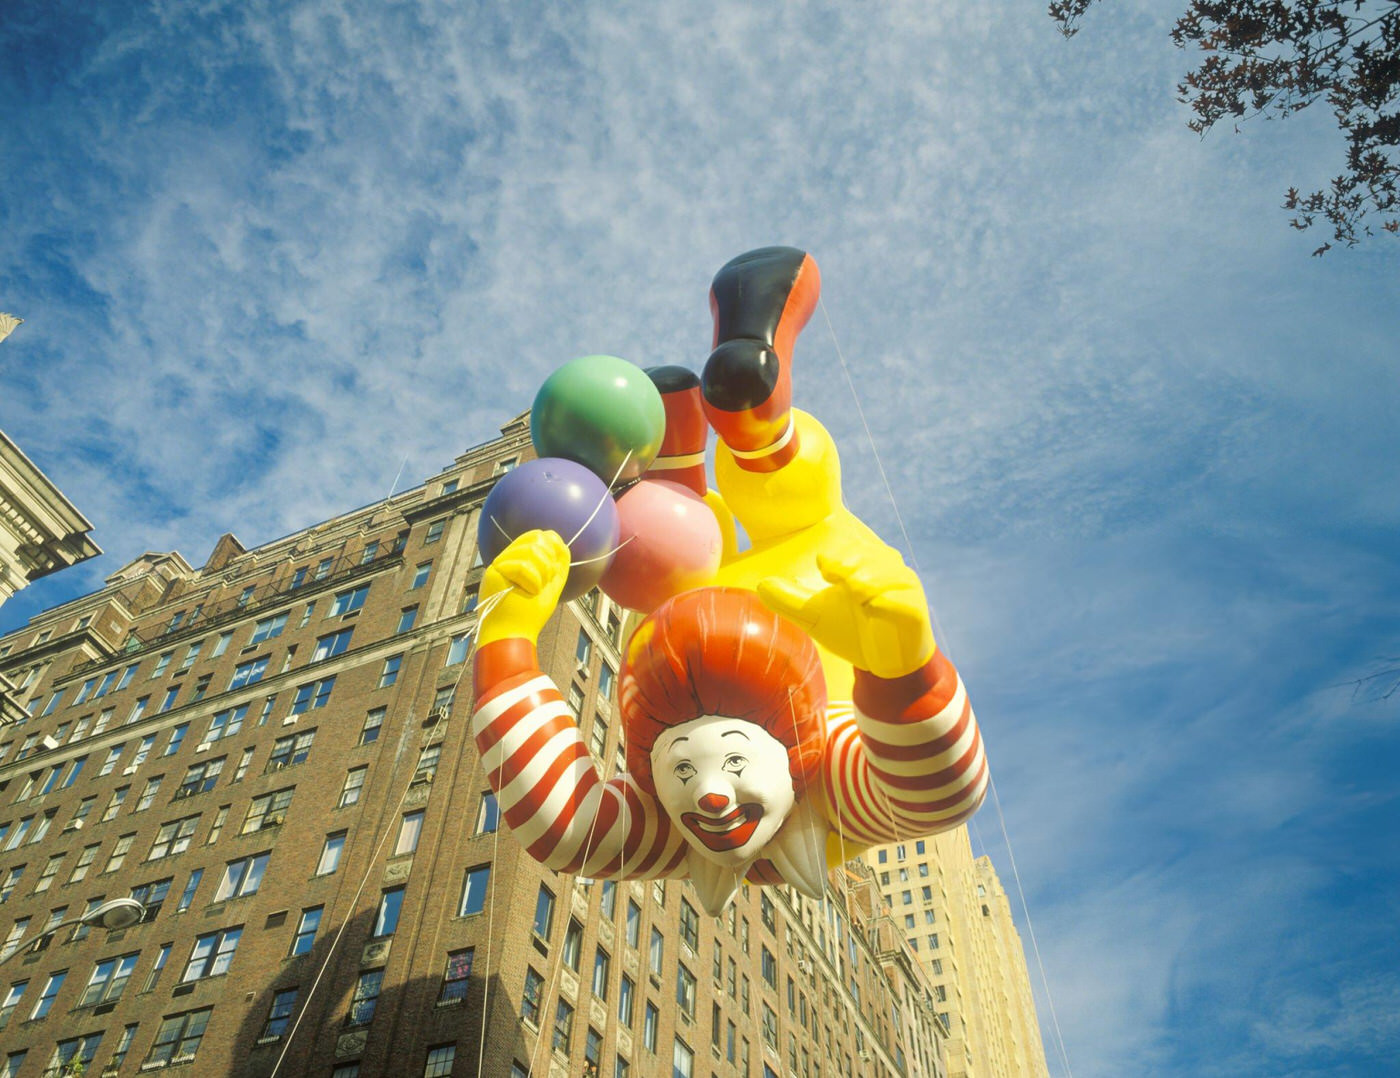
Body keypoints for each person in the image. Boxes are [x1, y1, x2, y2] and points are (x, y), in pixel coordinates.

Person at [471, 529, 986, 915]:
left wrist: (902, 672)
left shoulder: (826, 767)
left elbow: (941, 796)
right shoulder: (670, 822)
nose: (708, 797)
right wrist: (507, 630)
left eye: (735, 759)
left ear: (793, 752)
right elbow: (565, 826)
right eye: (683, 771)